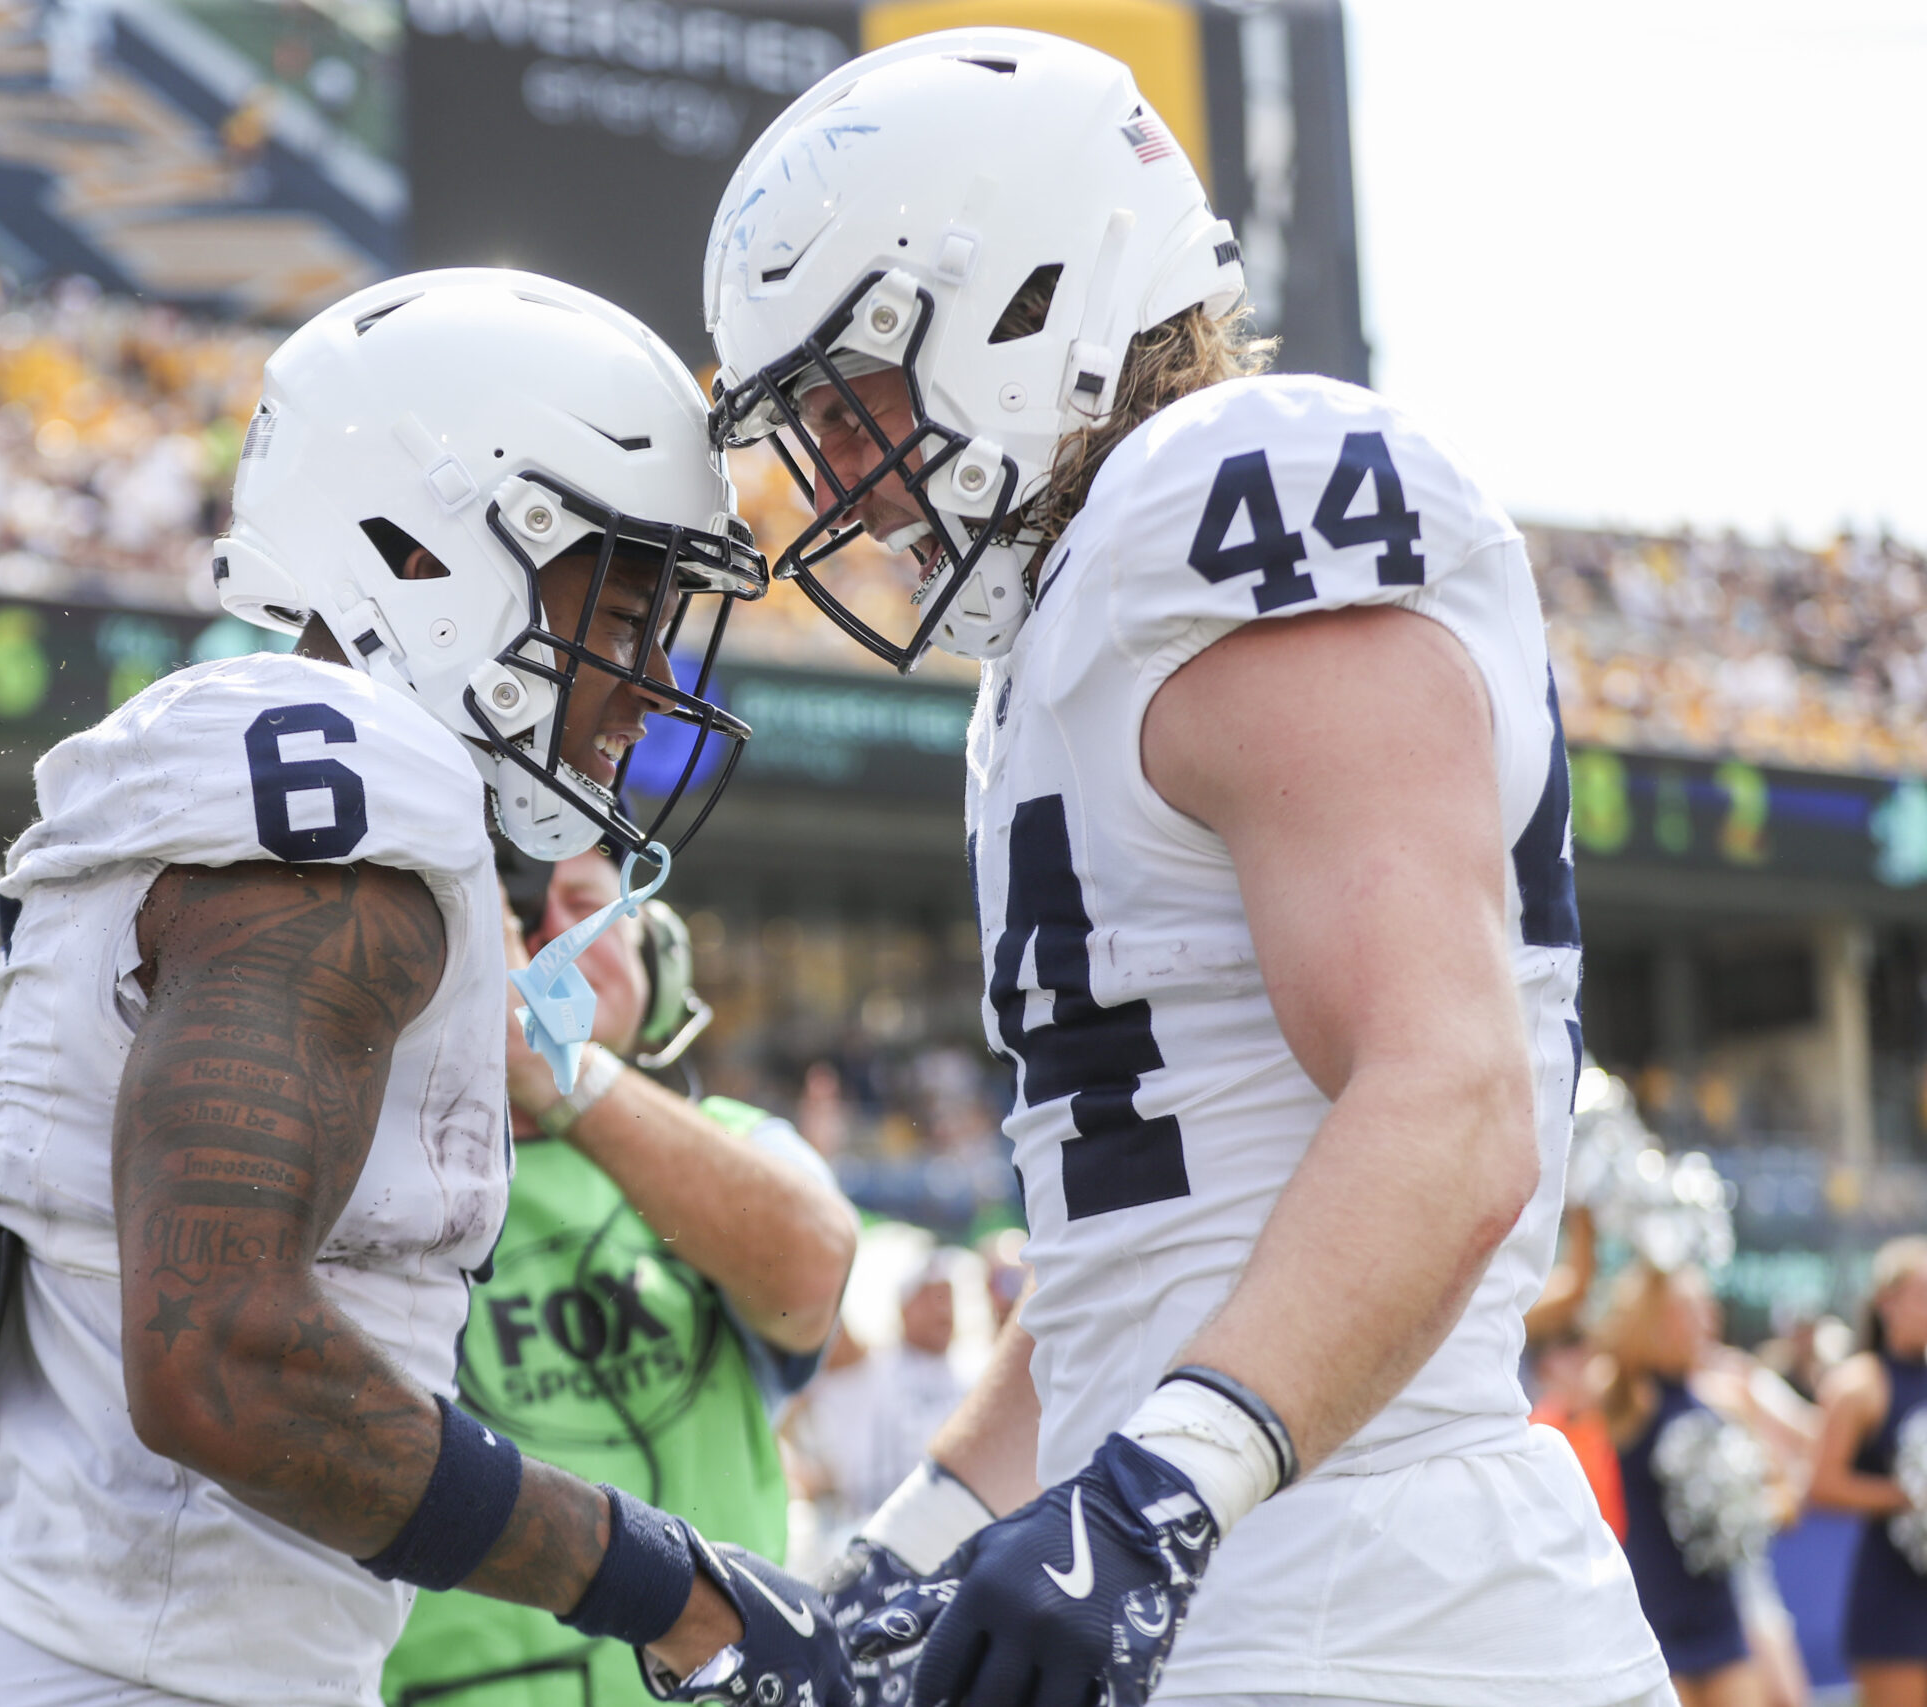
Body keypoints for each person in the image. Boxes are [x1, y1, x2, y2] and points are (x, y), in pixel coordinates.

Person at [702, 29, 1666, 1707]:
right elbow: (1144, 1249)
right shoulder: (1079, 621)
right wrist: (910, 1546)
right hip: (1250, 1546)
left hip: (1376, 1591)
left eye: (853, 405)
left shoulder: (1237, 486)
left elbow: (1447, 1099)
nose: (843, 483)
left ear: (1024, 303)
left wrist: (1159, 1494)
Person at [0, 270, 851, 1707]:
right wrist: (667, 1582)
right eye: (629, 600)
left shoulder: (336, 801)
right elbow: (221, 1358)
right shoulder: (341, 811)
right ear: (438, 551)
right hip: (125, 1665)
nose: (648, 680)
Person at [380, 852, 858, 1706]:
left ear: (658, 956)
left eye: (588, 903)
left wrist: (547, 1060)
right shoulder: (368, 1166)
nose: (548, 934)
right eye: (517, 908)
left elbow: (809, 1269)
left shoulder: (740, 1141)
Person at [1592, 1265, 1763, 1707]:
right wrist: (1658, 1257)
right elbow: (1614, 1345)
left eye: (1707, 1306)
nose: (1707, 1318)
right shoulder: (1629, 1395)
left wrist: (1756, 1510)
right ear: (1655, 1317)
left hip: (1719, 1605)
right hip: (1654, 1610)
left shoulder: (1723, 1392)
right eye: (1688, 1308)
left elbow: (1782, 1471)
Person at [1807, 1236, 1927, 1707]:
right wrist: (1907, 1498)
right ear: (1885, 1302)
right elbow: (1823, 1484)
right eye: (1920, 1295)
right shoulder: (1860, 1384)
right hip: (1892, 1595)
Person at [788, 1255, 970, 1553]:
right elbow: (820, 1307)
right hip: (875, 1539)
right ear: (903, 1307)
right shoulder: (871, 1368)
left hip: (957, 1538)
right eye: (929, 1296)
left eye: (947, 1296)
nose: (942, 1309)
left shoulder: (974, 1373)